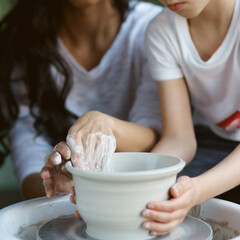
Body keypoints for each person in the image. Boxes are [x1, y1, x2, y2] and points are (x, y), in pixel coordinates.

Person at [0, 0, 163, 200]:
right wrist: (55, 186)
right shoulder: (23, 37)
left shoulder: (152, 26)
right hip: (67, 205)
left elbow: (156, 135)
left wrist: (107, 127)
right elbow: (29, 149)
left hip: (138, 192)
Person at [140, 0, 240, 236]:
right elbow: (179, 138)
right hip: (217, 141)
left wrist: (198, 190)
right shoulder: (162, 30)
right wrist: (136, 182)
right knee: (163, 197)